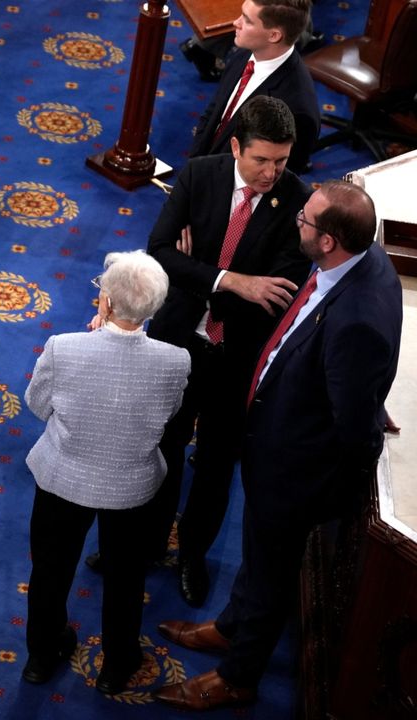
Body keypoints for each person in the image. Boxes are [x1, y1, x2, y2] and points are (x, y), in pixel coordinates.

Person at [155, 180, 402, 711]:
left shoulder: (357, 315)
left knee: (271, 570)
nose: (297, 223)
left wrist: (325, 483)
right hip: (277, 445)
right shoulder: (362, 258)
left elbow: (356, 428)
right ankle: (231, 625)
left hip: (295, 471)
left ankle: (238, 676)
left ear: (331, 240)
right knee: (258, 558)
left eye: (306, 221)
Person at [124, 95, 311, 610]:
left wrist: (199, 270)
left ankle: (192, 557)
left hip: (238, 357)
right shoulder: (198, 175)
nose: (273, 172)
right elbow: (158, 251)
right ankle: (146, 543)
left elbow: (280, 291)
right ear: (235, 147)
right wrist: (234, 281)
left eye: (281, 160)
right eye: (261, 160)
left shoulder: (299, 201)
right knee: (162, 446)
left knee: (215, 465)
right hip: (178, 341)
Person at [22, 251, 190, 696]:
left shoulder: (64, 347)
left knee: (51, 570)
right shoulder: (177, 361)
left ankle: (42, 654)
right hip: (132, 487)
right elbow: (169, 418)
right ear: (155, 307)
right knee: (125, 577)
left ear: (107, 303)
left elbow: (38, 406)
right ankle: (117, 664)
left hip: (63, 479)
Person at [188, 0, 319, 174]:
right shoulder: (245, 53)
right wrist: (194, 168)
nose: (236, 22)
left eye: (247, 20)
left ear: (274, 36)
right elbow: (213, 114)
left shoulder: (297, 110)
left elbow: (275, 180)